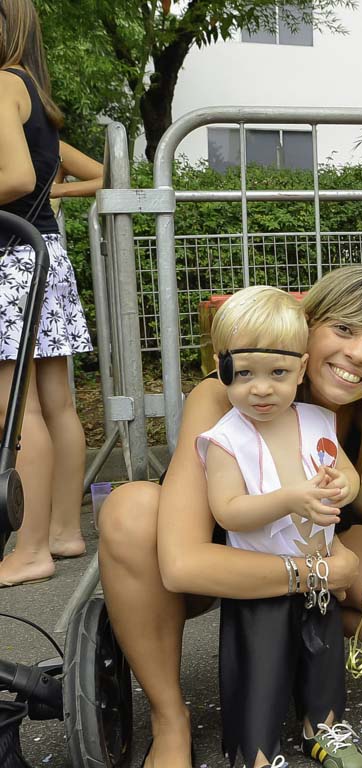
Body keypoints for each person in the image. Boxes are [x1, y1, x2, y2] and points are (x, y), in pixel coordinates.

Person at [98, 265, 362, 768]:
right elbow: (180, 564)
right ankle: (169, 717)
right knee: (130, 510)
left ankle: (298, 667)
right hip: (217, 558)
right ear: (307, 328)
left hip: (302, 544)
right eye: (344, 329)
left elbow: (353, 488)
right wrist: (320, 571)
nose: (357, 355)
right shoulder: (226, 396)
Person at [196, 286, 362, 768]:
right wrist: (291, 498)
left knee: (323, 655)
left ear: (301, 366)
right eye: (244, 373)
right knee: (262, 667)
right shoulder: (226, 436)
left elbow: (349, 473)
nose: (261, 388)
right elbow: (228, 510)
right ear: (221, 363)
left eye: (278, 373)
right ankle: (254, 749)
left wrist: (342, 488)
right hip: (262, 579)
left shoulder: (316, 419)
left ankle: (324, 723)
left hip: (319, 572)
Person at [0, 0, 92, 586]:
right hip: (44, 254)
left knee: (16, 408)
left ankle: (29, 548)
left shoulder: (0, 84)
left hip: (9, 258)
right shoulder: (31, 88)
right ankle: (62, 531)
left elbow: (15, 178)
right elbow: (57, 175)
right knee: (55, 400)